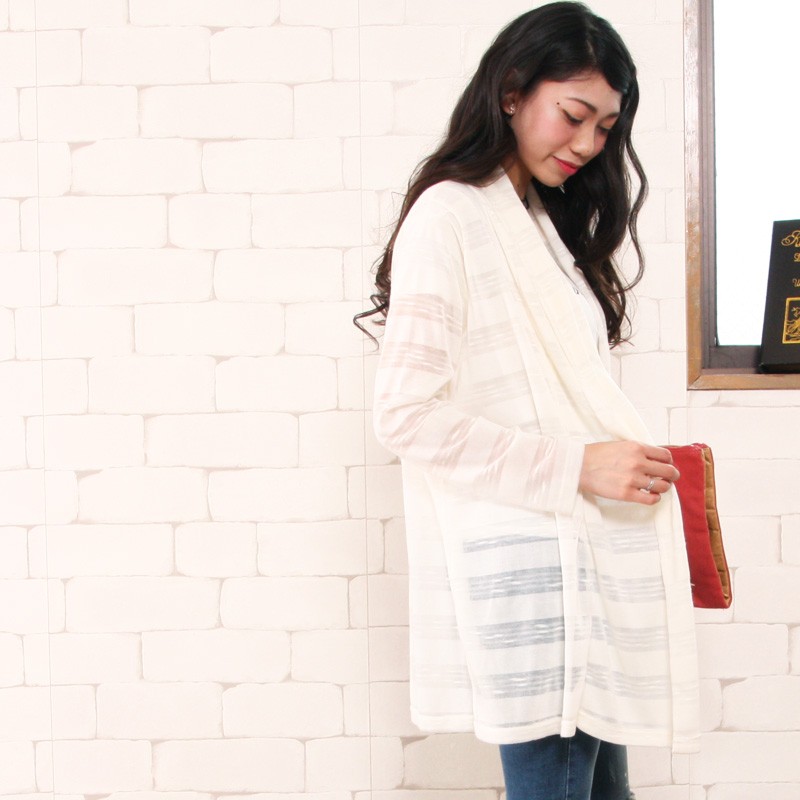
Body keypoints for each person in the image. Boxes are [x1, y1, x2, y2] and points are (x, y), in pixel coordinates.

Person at [356, 3, 699, 798]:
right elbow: (406, 414)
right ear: (511, 92)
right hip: (534, 579)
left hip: (579, 570)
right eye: (574, 116)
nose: (588, 144)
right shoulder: (450, 214)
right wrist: (579, 465)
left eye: (606, 128)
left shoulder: (539, 224)